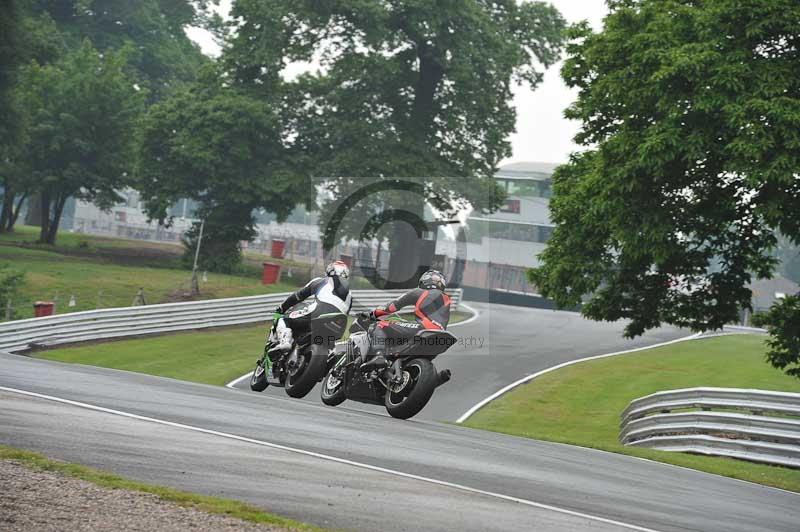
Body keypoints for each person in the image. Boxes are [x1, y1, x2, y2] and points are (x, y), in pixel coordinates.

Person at [269, 260, 352, 354]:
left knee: (283, 320)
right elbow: (346, 312)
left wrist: (281, 308)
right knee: (329, 351)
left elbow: (297, 296)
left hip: (319, 313)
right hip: (339, 325)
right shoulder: (350, 295)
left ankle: (285, 342)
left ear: (330, 271)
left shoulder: (322, 281)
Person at [365, 269, 450, 359]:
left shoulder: (420, 292)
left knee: (381, 325)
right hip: (441, 335)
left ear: (425, 280)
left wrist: (373, 314)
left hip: (424, 328)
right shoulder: (447, 299)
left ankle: (378, 356)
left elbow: (392, 306)